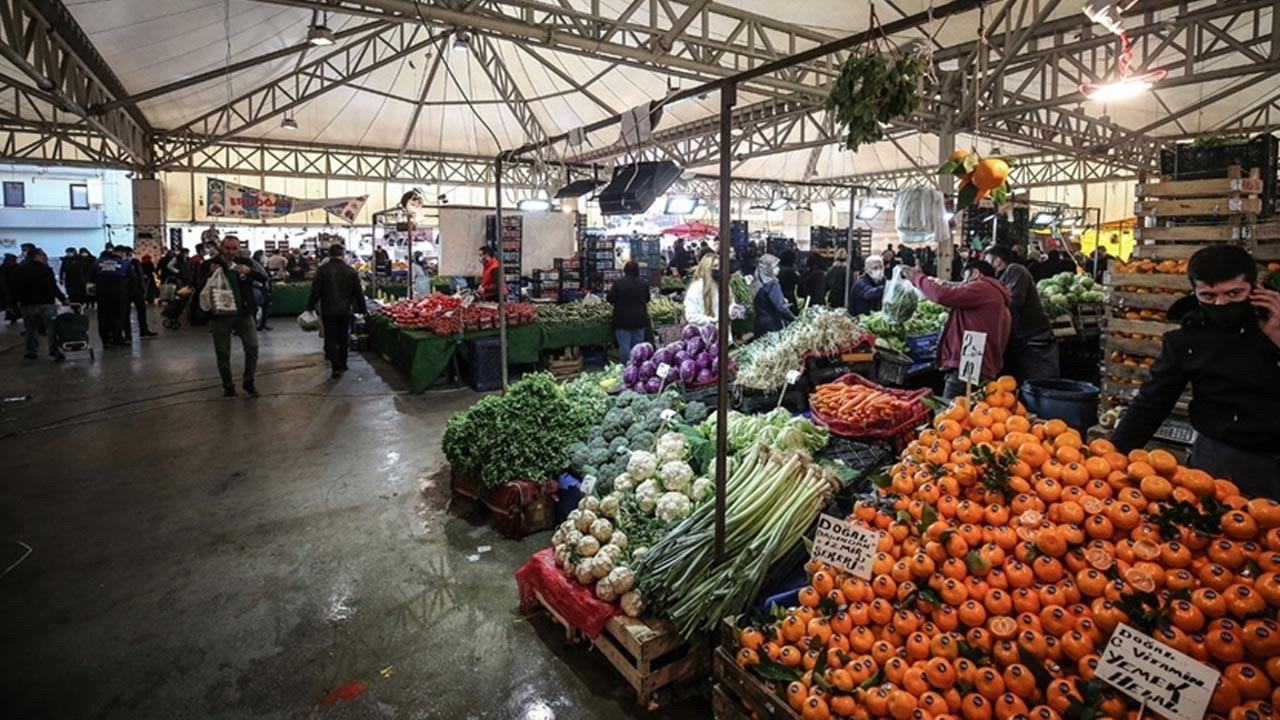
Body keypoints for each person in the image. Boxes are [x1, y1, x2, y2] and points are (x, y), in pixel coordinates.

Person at [1110, 245, 1280, 497]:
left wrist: (1275, 341)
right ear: (1195, 292)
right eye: (1209, 297)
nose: (1222, 304)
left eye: (1234, 293)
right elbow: (1152, 402)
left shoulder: (1272, 326)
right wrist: (1110, 456)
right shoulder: (1187, 340)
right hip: (1219, 457)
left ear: (1255, 288)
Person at [902, 260, 1012, 399]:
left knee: (952, 413)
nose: (963, 283)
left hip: (969, 367)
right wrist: (947, 345)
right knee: (971, 414)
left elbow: (942, 295)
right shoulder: (995, 295)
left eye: (965, 277)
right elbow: (974, 326)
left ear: (975, 273)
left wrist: (917, 277)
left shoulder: (982, 288)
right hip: (982, 364)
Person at [198, 235, 267, 397]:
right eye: (227, 248)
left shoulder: (247, 262)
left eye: (234, 248)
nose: (231, 252)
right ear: (221, 247)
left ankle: (249, 382)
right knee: (223, 353)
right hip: (220, 315)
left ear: (239, 248)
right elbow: (197, 286)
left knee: (252, 347)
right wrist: (209, 275)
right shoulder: (209, 264)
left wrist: (249, 271)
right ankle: (228, 385)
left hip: (243, 314)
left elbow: (264, 278)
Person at [984, 245, 1059, 382]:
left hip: (1035, 340)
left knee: (1039, 385)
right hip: (1022, 340)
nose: (986, 265)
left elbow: (1013, 301)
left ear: (997, 261)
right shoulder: (1000, 278)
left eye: (987, 260)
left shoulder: (1015, 270)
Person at [307, 244, 366, 378]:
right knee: (343, 337)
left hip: (328, 309)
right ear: (343, 254)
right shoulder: (351, 271)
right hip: (345, 310)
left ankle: (335, 365)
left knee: (331, 338)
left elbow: (315, 291)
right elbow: (358, 292)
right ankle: (343, 363)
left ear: (329, 254)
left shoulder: (322, 270)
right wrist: (362, 309)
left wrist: (310, 307)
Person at [13, 249, 66, 360]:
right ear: (37, 256)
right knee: (51, 328)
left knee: (30, 329)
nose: (44, 257)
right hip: (45, 303)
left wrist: (15, 302)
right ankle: (54, 350)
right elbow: (52, 287)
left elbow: (15, 288)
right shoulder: (45, 270)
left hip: (27, 304)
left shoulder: (20, 270)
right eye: (42, 255)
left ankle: (31, 351)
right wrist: (63, 299)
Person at [606, 260, 650, 363]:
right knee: (638, 348)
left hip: (622, 320)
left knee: (624, 347)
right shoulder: (643, 283)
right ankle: (638, 368)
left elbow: (610, 298)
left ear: (625, 270)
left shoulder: (619, 283)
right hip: (639, 319)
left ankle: (627, 369)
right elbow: (647, 299)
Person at [92, 245, 131, 347]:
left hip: (102, 294)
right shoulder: (124, 264)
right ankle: (117, 339)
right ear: (122, 253)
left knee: (103, 317)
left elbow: (91, 279)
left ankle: (105, 340)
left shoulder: (98, 262)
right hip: (118, 293)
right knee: (118, 316)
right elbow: (132, 279)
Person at [752, 254, 796, 335]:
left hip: (759, 323)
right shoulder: (771, 284)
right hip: (772, 324)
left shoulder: (757, 282)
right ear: (768, 268)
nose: (777, 269)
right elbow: (780, 307)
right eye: (775, 266)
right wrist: (794, 319)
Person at [684, 254, 721, 326]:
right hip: (704, 332)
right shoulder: (696, 288)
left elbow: (727, 306)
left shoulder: (722, 286)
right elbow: (690, 316)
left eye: (719, 266)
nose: (718, 269)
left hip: (723, 333)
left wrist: (733, 310)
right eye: (715, 266)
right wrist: (711, 320)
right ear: (707, 268)